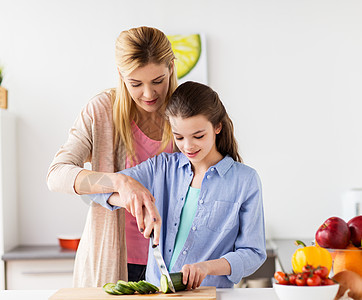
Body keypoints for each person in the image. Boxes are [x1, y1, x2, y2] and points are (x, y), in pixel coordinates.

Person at [91, 81, 267, 288]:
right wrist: (133, 200)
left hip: (210, 294)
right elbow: (93, 189)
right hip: (157, 293)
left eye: (198, 136)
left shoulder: (245, 180)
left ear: (217, 126)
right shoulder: (161, 168)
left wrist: (207, 267)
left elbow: (253, 253)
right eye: (179, 137)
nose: (188, 146)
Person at [46, 26, 178, 287]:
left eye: (158, 81)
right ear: (120, 74)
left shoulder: (186, 110)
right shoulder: (101, 111)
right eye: (136, 84)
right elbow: (57, 175)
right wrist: (120, 182)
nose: (149, 94)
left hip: (173, 263)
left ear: (171, 68)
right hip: (114, 262)